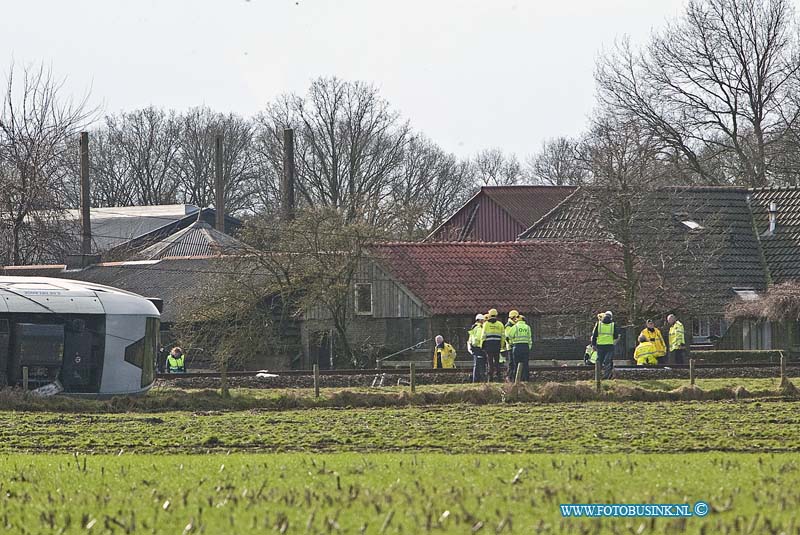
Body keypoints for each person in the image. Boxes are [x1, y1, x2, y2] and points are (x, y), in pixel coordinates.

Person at [591, 311, 620, 379]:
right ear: (611, 317)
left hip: (600, 345)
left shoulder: (599, 324)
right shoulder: (613, 325)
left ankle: (597, 376)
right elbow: (616, 336)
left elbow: (594, 335)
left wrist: (593, 345)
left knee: (599, 361)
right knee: (608, 361)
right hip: (609, 346)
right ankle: (606, 377)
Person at [480, 308, 506, 381]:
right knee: (497, 361)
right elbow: (503, 336)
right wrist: (501, 345)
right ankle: (499, 377)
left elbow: (483, 336)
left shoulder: (486, 324)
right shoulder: (500, 324)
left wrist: (482, 345)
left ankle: (490, 378)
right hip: (497, 345)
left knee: (490, 362)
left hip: (488, 345)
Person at [507, 314, 532, 381]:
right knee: (525, 364)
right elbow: (530, 339)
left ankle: (516, 380)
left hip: (517, 347)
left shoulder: (515, 327)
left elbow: (509, 335)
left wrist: (512, 342)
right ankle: (526, 379)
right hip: (525, 347)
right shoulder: (527, 327)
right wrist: (529, 347)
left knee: (516, 364)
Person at [467, 314, 486, 382]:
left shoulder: (473, 327)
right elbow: (479, 338)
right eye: (483, 320)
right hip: (478, 348)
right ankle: (478, 379)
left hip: (474, 348)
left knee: (476, 364)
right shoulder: (479, 328)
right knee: (480, 365)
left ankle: (475, 379)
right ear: (480, 320)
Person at [502, 310, 519, 380]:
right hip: (510, 347)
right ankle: (509, 376)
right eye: (516, 317)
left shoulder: (516, 325)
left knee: (515, 362)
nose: (517, 319)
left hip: (515, 346)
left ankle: (514, 377)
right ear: (512, 317)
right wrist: (511, 343)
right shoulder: (508, 325)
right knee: (511, 363)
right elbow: (507, 337)